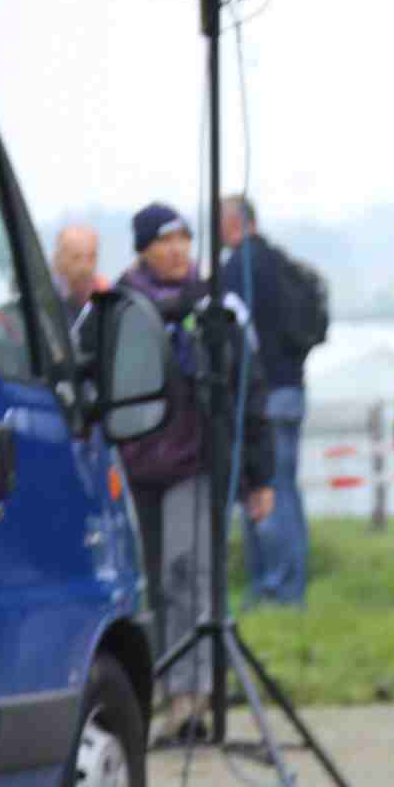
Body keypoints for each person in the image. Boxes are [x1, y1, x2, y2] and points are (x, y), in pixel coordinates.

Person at [116, 203, 273, 744]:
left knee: (188, 573)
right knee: (149, 584)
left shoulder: (217, 305)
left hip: (196, 461)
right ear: (143, 250)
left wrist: (260, 475)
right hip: (135, 465)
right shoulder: (120, 308)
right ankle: (158, 688)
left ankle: (193, 698)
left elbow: (251, 388)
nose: (177, 250)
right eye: (165, 241)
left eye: (183, 238)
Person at [220, 196, 325, 606]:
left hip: (261, 395)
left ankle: (275, 589)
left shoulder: (236, 269)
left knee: (264, 489)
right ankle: (293, 583)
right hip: (293, 389)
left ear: (232, 223)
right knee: (287, 491)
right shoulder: (282, 263)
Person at [50, 221, 106, 323]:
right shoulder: (45, 297)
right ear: (58, 259)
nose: (85, 266)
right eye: (76, 257)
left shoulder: (103, 295)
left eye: (91, 257)